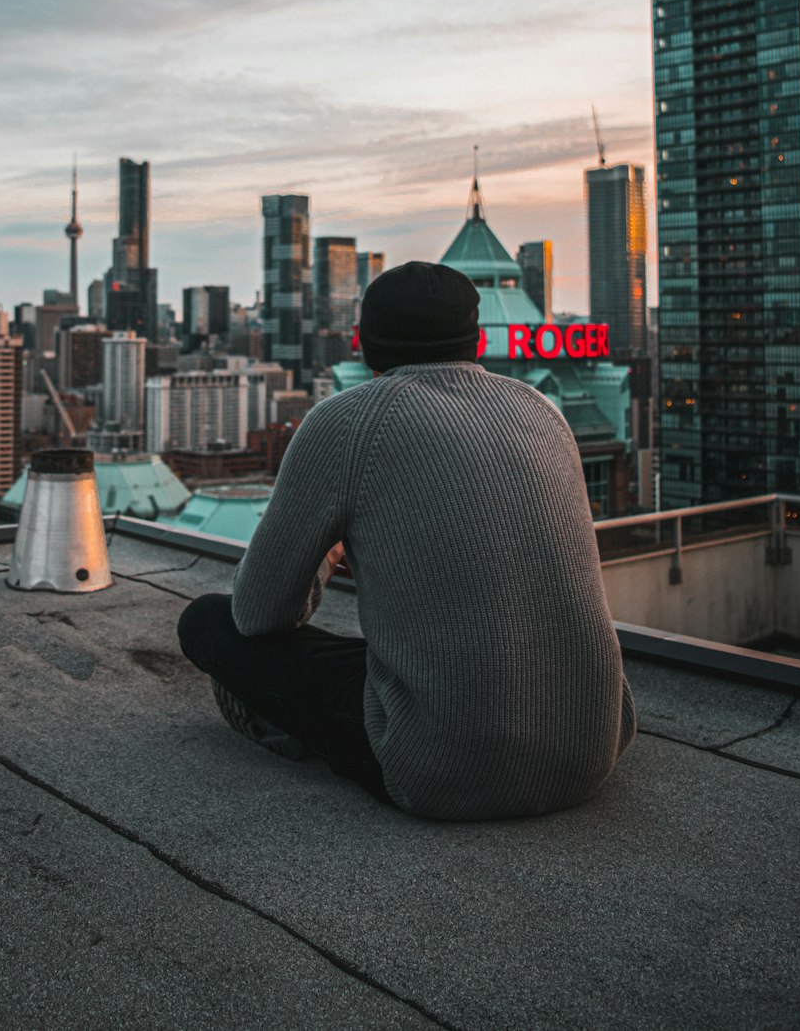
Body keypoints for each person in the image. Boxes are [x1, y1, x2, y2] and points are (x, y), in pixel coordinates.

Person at [177, 260, 636, 820]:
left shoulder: (344, 421)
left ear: (366, 345)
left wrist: (327, 555)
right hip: (594, 747)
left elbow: (257, 614)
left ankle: (295, 732)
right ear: (476, 341)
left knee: (206, 622)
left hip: (445, 770)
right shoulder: (542, 411)